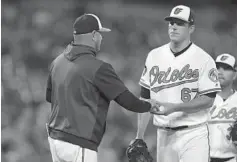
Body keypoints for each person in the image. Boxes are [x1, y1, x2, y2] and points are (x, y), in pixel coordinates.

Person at [45, 13, 159, 162]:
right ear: (93, 35)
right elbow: (128, 102)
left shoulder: (57, 62)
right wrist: (148, 105)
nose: (101, 37)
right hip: (79, 143)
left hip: (55, 139)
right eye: (99, 34)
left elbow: (50, 97)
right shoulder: (98, 68)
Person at [133, 5, 221, 162]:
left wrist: (175, 107)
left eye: (180, 23)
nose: (173, 26)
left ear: (191, 28)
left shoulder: (204, 59)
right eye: (171, 22)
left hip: (194, 134)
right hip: (163, 135)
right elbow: (145, 98)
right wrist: (139, 136)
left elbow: (209, 100)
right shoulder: (154, 56)